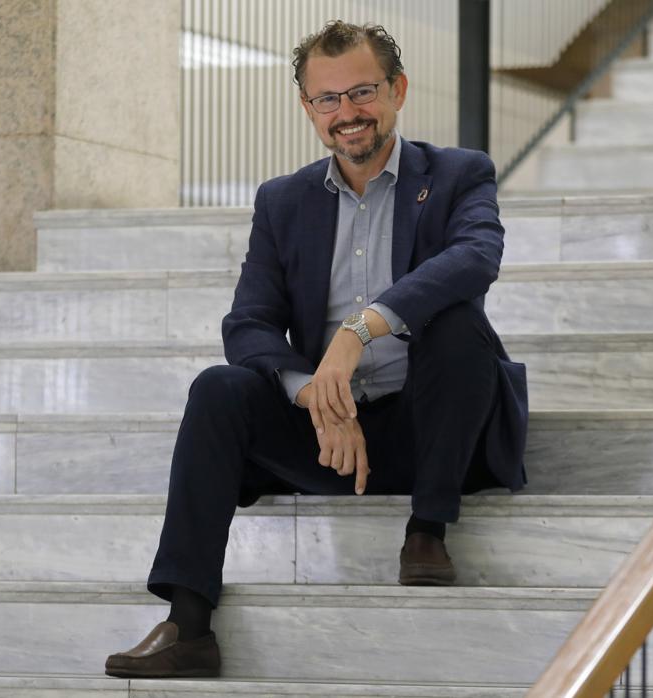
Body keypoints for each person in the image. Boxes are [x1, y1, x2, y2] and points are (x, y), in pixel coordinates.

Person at [105, 20, 528, 679]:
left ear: (398, 90)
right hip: (332, 438)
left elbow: (475, 259)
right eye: (326, 99)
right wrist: (312, 391)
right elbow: (247, 323)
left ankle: (428, 531)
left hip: (435, 430)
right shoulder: (283, 201)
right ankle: (188, 623)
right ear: (307, 108)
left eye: (361, 92)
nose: (346, 114)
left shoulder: (455, 175)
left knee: (456, 325)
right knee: (219, 388)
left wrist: (357, 333)